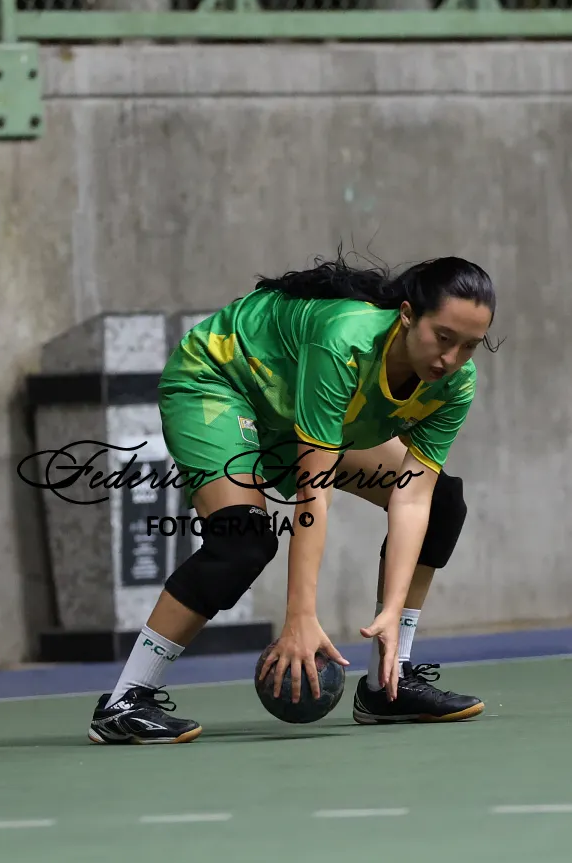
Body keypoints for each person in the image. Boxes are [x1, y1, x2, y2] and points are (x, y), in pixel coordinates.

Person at [87, 255, 494, 744]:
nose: (450, 358)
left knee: (442, 503)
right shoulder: (346, 342)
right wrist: (300, 617)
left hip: (294, 413)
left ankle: (388, 683)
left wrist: (391, 610)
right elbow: (312, 493)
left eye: (468, 346)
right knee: (242, 541)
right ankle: (125, 700)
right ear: (407, 315)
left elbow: (411, 500)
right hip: (222, 382)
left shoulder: (454, 385)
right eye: (443, 337)